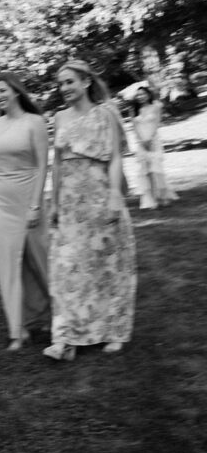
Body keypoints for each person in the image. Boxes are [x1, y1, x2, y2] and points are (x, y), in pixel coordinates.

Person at [44, 59, 136, 361]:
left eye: (69, 81)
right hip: (70, 199)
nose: (64, 88)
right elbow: (56, 164)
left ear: (86, 82)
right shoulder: (58, 118)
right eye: (61, 84)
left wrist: (113, 196)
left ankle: (112, 330)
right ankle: (65, 337)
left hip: (99, 194)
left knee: (106, 267)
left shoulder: (107, 113)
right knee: (66, 267)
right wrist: (54, 201)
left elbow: (115, 159)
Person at [0, 73, 50, 350]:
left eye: (2, 90)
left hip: (27, 198)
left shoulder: (34, 122)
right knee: (8, 265)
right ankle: (17, 329)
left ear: (16, 91)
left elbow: (42, 166)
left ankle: (60, 313)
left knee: (41, 261)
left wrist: (35, 205)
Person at [132, 86, 178, 209]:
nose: (140, 96)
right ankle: (151, 200)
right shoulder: (135, 110)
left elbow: (157, 123)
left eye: (142, 94)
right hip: (141, 143)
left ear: (148, 94)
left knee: (156, 170)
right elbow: (134, 127)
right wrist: (141, 141)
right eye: (138, 95)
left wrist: (149, 139)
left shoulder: (156, 106)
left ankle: (162, 197)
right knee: (146, 172)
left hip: (153, 141)